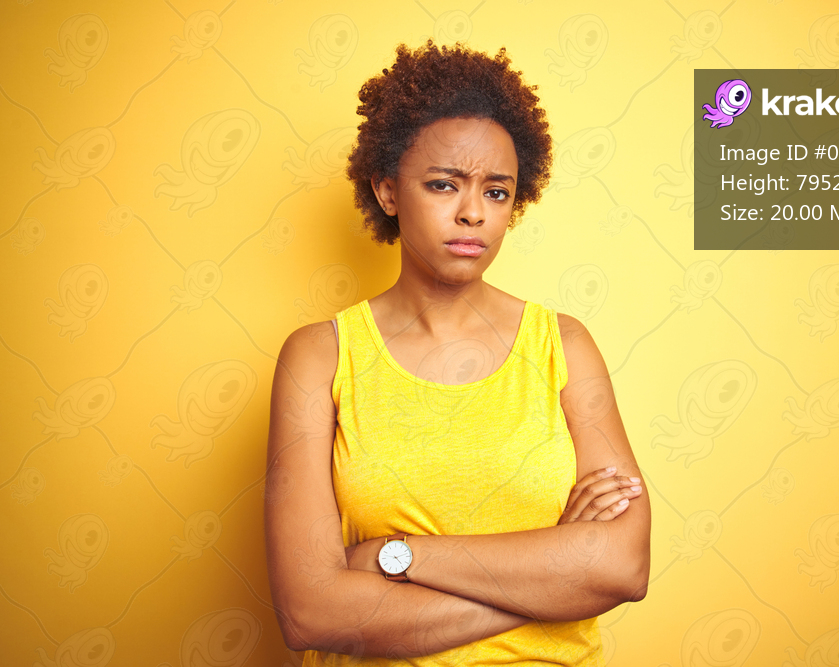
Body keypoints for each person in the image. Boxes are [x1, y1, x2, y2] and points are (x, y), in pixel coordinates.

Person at [264, 40, 651, 666]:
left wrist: (397, 558)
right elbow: (309, 611)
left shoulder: (564, 345)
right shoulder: (320, 357)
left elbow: (624, 567)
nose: (473, 213)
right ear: (388, 192)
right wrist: (553, 580)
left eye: (497, 192)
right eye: (444, 185)